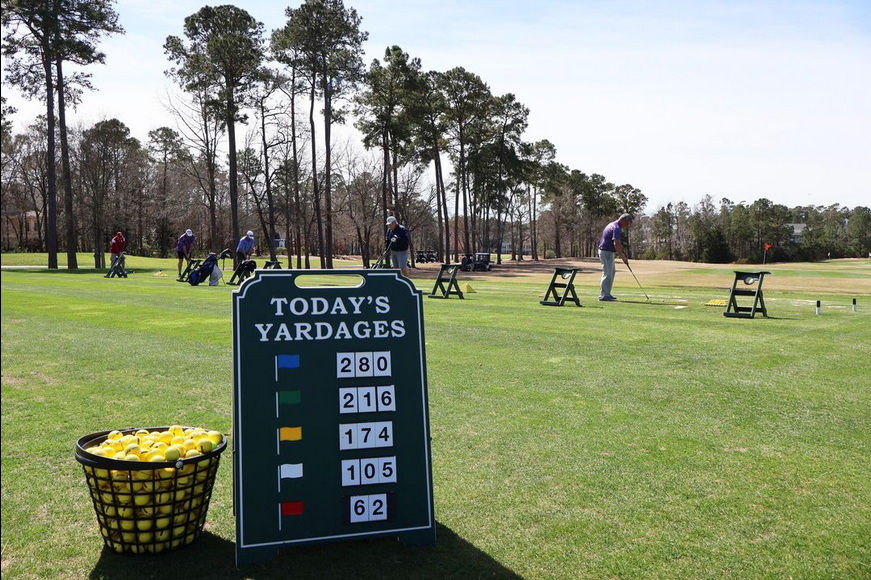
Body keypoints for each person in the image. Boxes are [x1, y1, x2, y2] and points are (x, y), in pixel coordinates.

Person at [598, 213, 633, 301]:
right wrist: (623, 257)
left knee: (611, 272)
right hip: (606, 252)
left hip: (608, 252)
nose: (627, 225)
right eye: (627, 223)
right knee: (607, 273)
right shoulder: (616, 228)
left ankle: (607, 294)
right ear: (624, 220)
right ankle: (604, 295)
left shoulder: (612, 224)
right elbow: (616, 243)